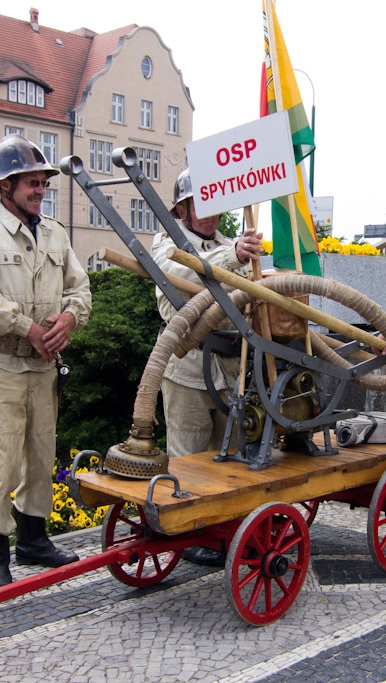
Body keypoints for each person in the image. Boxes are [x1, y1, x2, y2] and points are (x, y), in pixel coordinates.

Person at [0, 135, 92, 591]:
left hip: (44, 365)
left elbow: (80, 288)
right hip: (0, 363)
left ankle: (34, 539)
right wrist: (25, 327)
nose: (40, 189)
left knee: (40, 453)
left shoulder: (54, 232)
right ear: (5, 185)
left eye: (43, 182)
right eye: (32, 182)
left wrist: (68, 318)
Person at [151, 168, 263, 565]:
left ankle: (220, 530)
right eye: (201, 203)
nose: (210, 212)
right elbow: (179, 277)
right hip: (187, 364)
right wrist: (232, 257)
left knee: (227, 456)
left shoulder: (231, 245)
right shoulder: (165, 244)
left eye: (215, 203)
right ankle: (188, 533)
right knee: (187, 457)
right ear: (182, 208)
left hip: (231, 366)